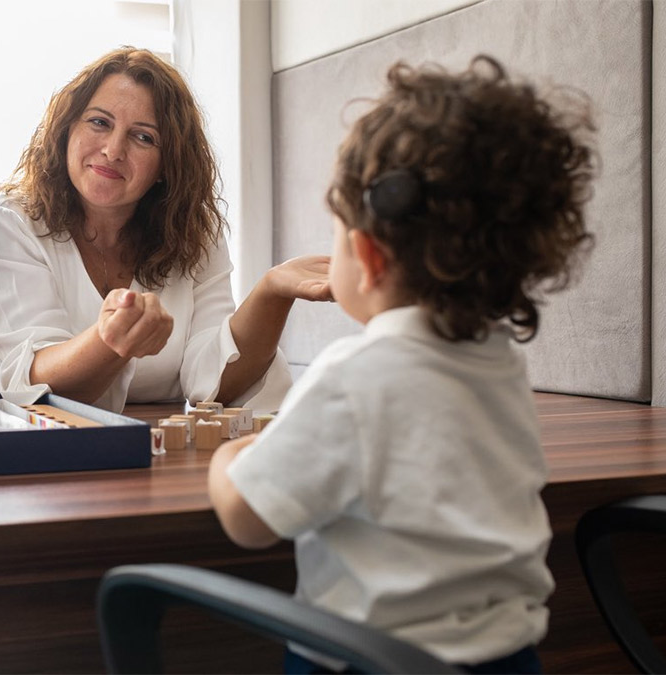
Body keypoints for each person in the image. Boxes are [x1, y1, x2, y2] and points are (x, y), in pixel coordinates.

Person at [208, 55, 596, 674]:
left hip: (368, 663)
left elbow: (249, 520)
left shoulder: (351, 375)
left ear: (367, 254)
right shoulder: (499, 366)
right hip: (508, 659)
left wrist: (229, 458)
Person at [0, 47, 331, 413]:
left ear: (166, 165)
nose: (112, 150)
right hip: (30, 451)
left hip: (157, 456)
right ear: (65, 131)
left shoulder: (193, 235)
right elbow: (34, 378)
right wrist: (109, 341)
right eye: (99, 122)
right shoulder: (6, 224)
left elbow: (214, 383)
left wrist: (271, 293)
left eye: (143, 137)